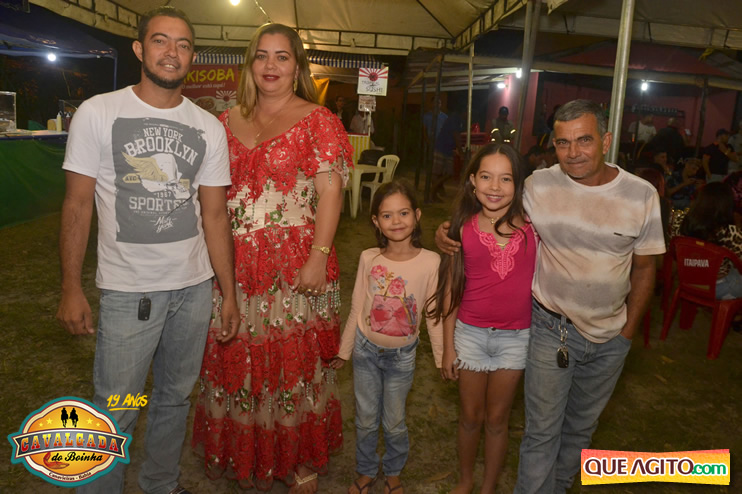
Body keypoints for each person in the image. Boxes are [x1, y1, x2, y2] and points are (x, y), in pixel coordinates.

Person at [436, 99, 665, 493]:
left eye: (584, 140)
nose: (573, 152)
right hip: (548, 328)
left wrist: (627, 334)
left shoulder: (641, 195)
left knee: (581, 430)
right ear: (553, 144)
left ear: (606, 140)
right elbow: (489, 206)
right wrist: (447, 232)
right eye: (563, 142)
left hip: (610, 337)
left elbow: (646, 269)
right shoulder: (537, 185)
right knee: (541, 431)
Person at [56, 7, 239, 494]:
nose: (171, 52)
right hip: (128, 291)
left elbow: (215, 216)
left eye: (183, 44)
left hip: (194, 290)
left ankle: (161, 483)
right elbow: (77, 205)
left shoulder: (208, 127)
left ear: (192, 56)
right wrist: (71, 287)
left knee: (175, 398)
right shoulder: (99, 112)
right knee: (117, 406)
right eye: (160, 41)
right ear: (139, 49)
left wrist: (228, 292)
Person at [192, 23, 352, 493]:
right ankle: (244, 453)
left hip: (293, 265)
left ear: (297, 66)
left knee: (291, 364)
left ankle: (294, 457)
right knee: (237, 356)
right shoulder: (224, 122)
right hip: (234, 262)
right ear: (250, 64)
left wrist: (318, 257)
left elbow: (331, 193)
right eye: (262, 55)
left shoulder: (318, 119)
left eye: (282, 57)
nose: (270, 65)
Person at [426, 143, 536, 494]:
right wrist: (447, 347)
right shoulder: (461, 228)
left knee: (497, 419)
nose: (495, 187)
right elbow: (450, 289)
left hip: (515, 338)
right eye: (486, 177)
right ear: (472, 181)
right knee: (470, 417)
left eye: (506, 179)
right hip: (469, 334)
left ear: (519, 184)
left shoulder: (535, 228)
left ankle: (488, 487)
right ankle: (465, 480)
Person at [331, 180, 443, 494]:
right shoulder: (369, 258)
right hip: (365, 352)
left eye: (403, 213)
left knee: (394, 421)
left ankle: (393, 471)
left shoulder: (431, 262)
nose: (396, 221)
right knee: (366, 419)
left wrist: (441, 357)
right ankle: (366, 470)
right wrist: (344, 350)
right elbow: (357, 307)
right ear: (376, 221)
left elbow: (433, 315)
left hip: (402, 358)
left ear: (417, 215)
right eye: (387, 215)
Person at [671, 181, 742, 300]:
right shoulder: (730, 232)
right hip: (719, 288)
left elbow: (673, 251)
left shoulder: (680, 222)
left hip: (687, 281)